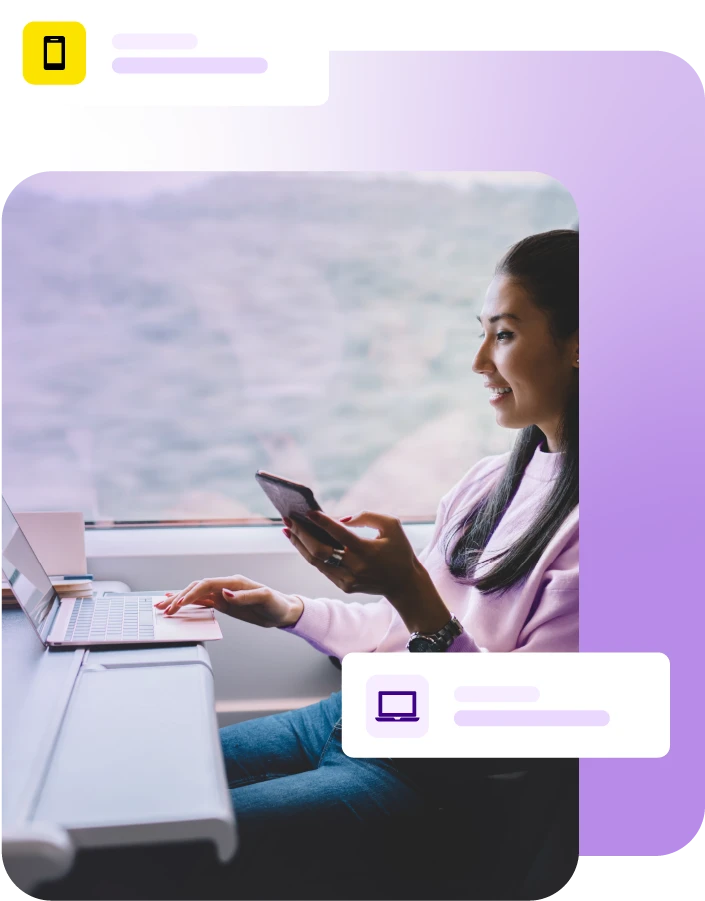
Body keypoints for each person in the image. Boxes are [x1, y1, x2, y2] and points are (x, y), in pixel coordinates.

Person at [156, 229, 579, 895]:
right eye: (481, 332)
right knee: (136, 788)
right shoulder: (487, 481)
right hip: (356, 712)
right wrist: (285, 609)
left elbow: (512, 727)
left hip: (430, 775)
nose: (477, 360)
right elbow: (397, 634)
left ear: (582, 344)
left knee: (158, 842)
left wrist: (413, 594)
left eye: (502, 334)